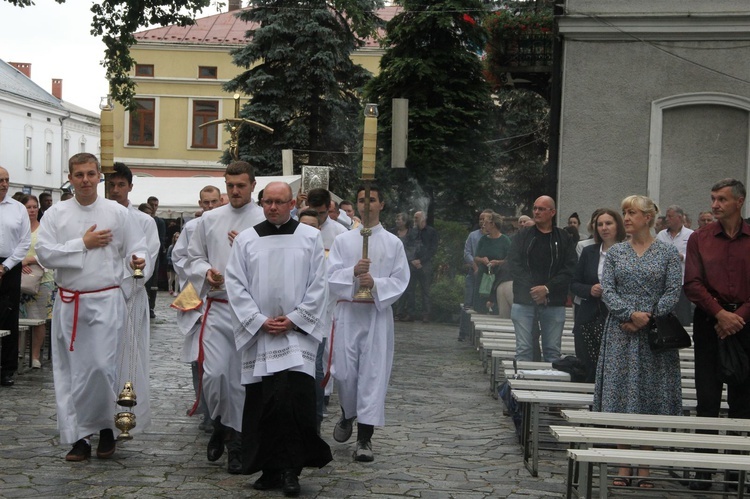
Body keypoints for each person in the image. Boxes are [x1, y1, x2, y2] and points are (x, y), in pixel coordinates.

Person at [36, 153, 148, 462]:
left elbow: (137, 246)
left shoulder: (116, 212)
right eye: (78, 174)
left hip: (106, 300)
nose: (85, 180)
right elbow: (45, 254)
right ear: (70, 178)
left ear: (99, 176)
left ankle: (106, 427)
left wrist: (139, 260)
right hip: (70, 302)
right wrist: (81, 244)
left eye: (90, 174)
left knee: (100, 367)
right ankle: (79, 437)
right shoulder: (55, 214)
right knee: (72, 373)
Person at [225, 181, 332, 496]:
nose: (272, 207)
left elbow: (319, 284)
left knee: (292, 402)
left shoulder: (310, 237)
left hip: (296, 335)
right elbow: (236, 284)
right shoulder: (246, 240)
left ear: (293, 203)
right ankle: (270, 469)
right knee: (265, 403)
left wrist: (295, 319)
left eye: (279, 202)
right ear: (261, 203)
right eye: (267, 202)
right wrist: (258, 321)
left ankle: (290, 470)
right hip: (262, 334)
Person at [593, 195, 682, 488]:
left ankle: (644, 468)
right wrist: (630, 313)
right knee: (620, 396)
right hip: (621, 331)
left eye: (632, 213)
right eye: (624, 213)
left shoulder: (668, 254)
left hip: (654, 335)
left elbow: (672, 290)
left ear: (648, 217)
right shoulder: (616, 253)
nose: (626, 218)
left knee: (648, 398)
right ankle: (622, 466)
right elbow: (608, 289)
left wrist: (649, 317)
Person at [185, 161, 265, 473]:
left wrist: (248, 249)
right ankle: (219, 423)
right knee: (215, 376)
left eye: (241, 185)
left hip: (250, 312)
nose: (235, 191)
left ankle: (236, 443)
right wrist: (208, 272)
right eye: (230, 185)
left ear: (252, 185)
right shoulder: (210, 219)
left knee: (242, 382)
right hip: (218, 308)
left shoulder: (263, 219)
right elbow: (193, 257)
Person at [328, 184, 410, 462]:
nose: (366, 204)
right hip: (349, 314)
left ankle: (364, 439)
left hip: (376, 315)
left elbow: (400, 280)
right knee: (347, 374)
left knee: (373, 376)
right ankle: (348, 412)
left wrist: (375, 283)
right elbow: (330, 276)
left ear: (381, 205)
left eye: (372, 200)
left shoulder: (393, 243)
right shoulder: (343, 240)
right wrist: (353, 272)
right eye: (361, 199)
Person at [684, 178, 750, 491]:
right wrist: (721, 314)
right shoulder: (700, 237)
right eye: (712, 199)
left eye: (722, 199)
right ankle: (704, 471)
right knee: (707, 397)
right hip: (710, 322)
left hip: (747, 324)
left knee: (744, 400)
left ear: (740, 201)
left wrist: (738, 317)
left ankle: (738, 473)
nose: (714, 205)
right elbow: (692, 283)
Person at [107, 162, 161, 438]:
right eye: (111, 184)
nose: (115, 190)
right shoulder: (98, 216)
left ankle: (119, 420)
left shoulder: (144, 221)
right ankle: (91, 421)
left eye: (121, 185)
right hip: (98, 297)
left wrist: (135, 268)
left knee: (125, 358)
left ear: (130, 186)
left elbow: (148, 259)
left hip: (130, 297)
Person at [170, 185, 222, 434]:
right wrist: (199, 274)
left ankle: (224, 409)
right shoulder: (191, 227)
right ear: (199, 203)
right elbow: (180, 258)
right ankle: (204, 407)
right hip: (198, 294)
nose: (210, 207)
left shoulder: (225, 223)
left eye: (214, 202)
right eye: (206, 203)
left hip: (224, 296)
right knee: (197, 355)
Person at [508, 196, 577, 362]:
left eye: (541, 209)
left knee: (552, 352)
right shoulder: (522, 236)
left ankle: (551, 387)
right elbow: (514, 264)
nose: (536, 212)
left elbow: (570, 268)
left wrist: (547, 289)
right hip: (524, 299)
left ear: (552, 212)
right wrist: (534, 290)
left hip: (553, 300)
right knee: (523, 350)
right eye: (535, 208)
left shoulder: (564, 238)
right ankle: (523, 388)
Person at [570, 208, 626, 382]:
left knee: (612, 370)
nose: (604, 228)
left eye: (608, 223)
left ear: (618, 226)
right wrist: (589, 290)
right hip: (588, 316)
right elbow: (574, 283)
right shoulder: (589, 252)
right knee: (588, 367)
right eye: (600, 224)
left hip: (615, 317)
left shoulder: (628, 252)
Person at [0, 166, 31, 386]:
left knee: (9, 315)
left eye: (7, 180)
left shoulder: (18, 208)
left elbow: (25, 242)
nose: (4, 184)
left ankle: (7, 368)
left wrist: (6, 266)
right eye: (0, 180)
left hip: (10, 265)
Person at [19, 195, 55, 369]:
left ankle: (35, 356)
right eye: (28, 207)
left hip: (43, 279)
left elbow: (49, 252)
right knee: (20, 318)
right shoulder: (17, 230)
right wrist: (19, 263)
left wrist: (29, 260)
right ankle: (19, 353)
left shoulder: (44, 230)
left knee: (39, 318)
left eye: (34, 207)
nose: (32, 210)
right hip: (20, 279)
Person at [656, 205, 694, 325]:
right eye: (666, 216)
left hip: (683, 282)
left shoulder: (691, 235)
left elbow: (696, 257)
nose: (667, 219)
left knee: (683, 316)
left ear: (679, 217)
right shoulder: (661, 235)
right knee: (664, 315)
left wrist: (682, 257)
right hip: (663, 283)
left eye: (670, 216)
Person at [474, 212, 511, 315]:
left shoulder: (505, 240)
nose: (483, 225)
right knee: (480, 308)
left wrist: (498, 262)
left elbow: (510, 259)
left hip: (498, 277)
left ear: (493, 224)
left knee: (496, 309)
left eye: (486, 223)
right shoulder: (483, 239)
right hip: (483, 277)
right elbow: (476, 257)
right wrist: (482, 260)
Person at [408, 211, 438, 322]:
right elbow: (408, 246)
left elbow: (433, 249)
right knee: (410, 289)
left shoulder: (431, 232)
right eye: (414, 218)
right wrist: (411, 260)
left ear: (423, 219)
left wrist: (421, 260)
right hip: (412, 264)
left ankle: (426, 314)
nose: (414, 220)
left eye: (416, 218)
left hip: (425, 264)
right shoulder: (412, 231)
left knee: (425, 290)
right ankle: (411, 313)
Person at [389, 212, 419, 321]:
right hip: (392, 262)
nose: (397, 221)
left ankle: (405, 312)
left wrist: (411, 259)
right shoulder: (392, 232)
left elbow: (413, 247)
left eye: (399, 219)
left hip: (408, 263)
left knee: (408, 289)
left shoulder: (412, 233)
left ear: (405, 221)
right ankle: (393, 310)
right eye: (396, 219)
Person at [306, 188, 347, 255]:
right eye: (314, 213)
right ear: (308, 206)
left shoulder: (341, 232)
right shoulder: (299, 229)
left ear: (329, 207)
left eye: (321, 213)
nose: (317, 217)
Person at [147, 195, 167, 318]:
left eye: (156, 205)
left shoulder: (160, 221)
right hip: (144, 254)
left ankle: (151, 307)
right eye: (152, 205)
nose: (154, 207)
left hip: (156, 256)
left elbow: (161, 239)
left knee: (153, 283)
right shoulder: (144, 219)